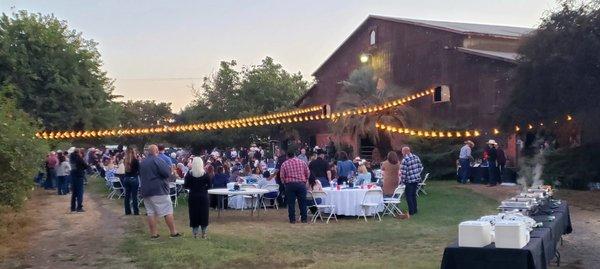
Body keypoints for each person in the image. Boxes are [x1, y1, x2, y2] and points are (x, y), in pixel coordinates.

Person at [139, 145, 181, 239]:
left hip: (146, 190)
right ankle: (173, 232)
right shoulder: (157, 160)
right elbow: (166, 174)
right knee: (167, 211)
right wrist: (171, 171)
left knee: (151, 212)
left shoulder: (143, 162)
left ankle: (154, 234)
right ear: (157, 151)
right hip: (159, 190)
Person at [184, 157, 211, 239]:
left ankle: (195, 233)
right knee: (204, 214)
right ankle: (204, 233)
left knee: (193, 214)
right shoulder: (205, 174)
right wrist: (203, 189)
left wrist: (193, 187)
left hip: (193, 196)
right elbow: (209, 185)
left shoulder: (189, 174)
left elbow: (186, 185)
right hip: (203, 196)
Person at [279, 150, 310, 223]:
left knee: (291, 203)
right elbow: (308, 173)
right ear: (294, 155)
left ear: (287, 156)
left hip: (290, 184)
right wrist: (305, 180)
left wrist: (284, 183)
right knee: (302, 202)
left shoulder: (284, 164)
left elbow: (282, 176)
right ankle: (304, 219)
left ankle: (292, 219)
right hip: (301, 184)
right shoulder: (302, 162)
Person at [400, 147, 423, 216]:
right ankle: (415, 209)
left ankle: (411, 211)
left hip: (409, 180)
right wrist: (416, 174)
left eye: (402, 152)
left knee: (408, 196)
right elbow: (420, 167)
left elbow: (403, 172)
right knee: (413, 195)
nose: (402, 153)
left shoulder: (405, 160)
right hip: (416, 179)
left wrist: (402, 181)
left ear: (405, 152)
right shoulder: (416, 157)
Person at [122, 147, 140, 215]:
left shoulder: (125, 161)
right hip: (134, 178)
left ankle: (127, 211)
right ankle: (136, 211)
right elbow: (139, 170)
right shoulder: (135, 160)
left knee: (127, 196)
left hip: (126, 178)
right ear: (133, 152)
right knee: (134, 196)